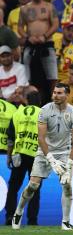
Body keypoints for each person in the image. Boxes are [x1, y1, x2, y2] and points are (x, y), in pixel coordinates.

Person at [11, 83, 73, 230]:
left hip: (64, 153)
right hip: (44, 152)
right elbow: (41, 139)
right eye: (54, 92)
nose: (55, 95)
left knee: (67, 187)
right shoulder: (44, 110)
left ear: (67, 95)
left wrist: (68, 165)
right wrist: (51, 160)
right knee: (32, 186)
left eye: (59, 93)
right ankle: (18, 212)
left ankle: (65, 222)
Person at [18, 0, 59, 105]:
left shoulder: (49, 6)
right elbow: (20, 27)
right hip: (30, 44)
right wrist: (27, 37)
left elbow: (55, 24)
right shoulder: (24, 9)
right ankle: (27, 100)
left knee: (52, 74)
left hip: (46, 43)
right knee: (26, 74)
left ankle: (55, 101)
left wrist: (45, 36)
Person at [5, 90, 42, 226]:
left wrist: (9, 156)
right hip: (36, 155)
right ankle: (32, 220)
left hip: (19, 154)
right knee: (34, 189)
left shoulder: (17, 113)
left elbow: (10, 138)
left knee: (13, 187)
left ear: (26, 100)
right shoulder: (42, 114)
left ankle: (9, 217)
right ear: (40, 101)